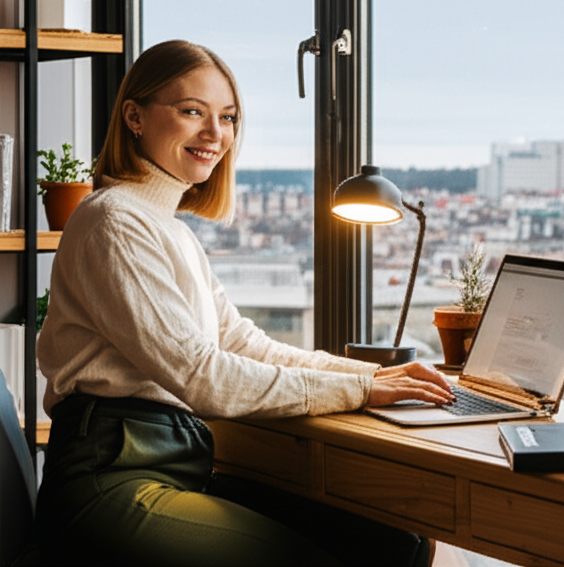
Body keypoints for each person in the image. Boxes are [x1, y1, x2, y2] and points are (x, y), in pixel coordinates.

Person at [34, 40, 454, 566]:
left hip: (175, 466)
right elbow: (201, 375)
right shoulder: (114, 222)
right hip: (111, 481)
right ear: (134, 117)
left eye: (228, 117)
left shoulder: (167, 227)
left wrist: (375, 378)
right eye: (193, 112)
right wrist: (361, 388)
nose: (216, 134)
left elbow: (243, 343)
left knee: (397, 545)